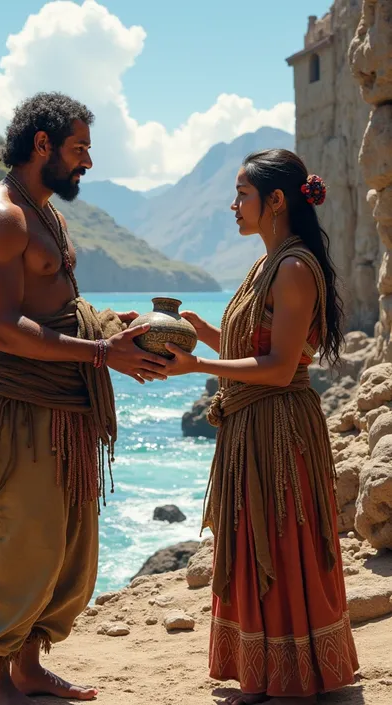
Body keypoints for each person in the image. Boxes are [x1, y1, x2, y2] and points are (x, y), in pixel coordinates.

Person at [0, 91, 167, 705]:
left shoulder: (48, 214)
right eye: (79, 150)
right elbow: (2, 329)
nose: (87, 163)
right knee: (13, 540)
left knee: (61, 544)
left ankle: (29, 668)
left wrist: (103, 323)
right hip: (12, 408)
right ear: (42, 145)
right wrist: (102, 354)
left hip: (62, 404)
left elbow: (57, 306)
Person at [164, 149, 359, 705]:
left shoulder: (294, 268)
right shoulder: (266, 264)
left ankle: (294, 677)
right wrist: (198, 332)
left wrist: (198, 367)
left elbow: (279, 367)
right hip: (252, 425)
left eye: (242, 194)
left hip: (279, 431)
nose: (233, 204)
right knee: (253, 541)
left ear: (277, 200)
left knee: (280, 539)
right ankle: (265, 673)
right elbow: (259, 349)